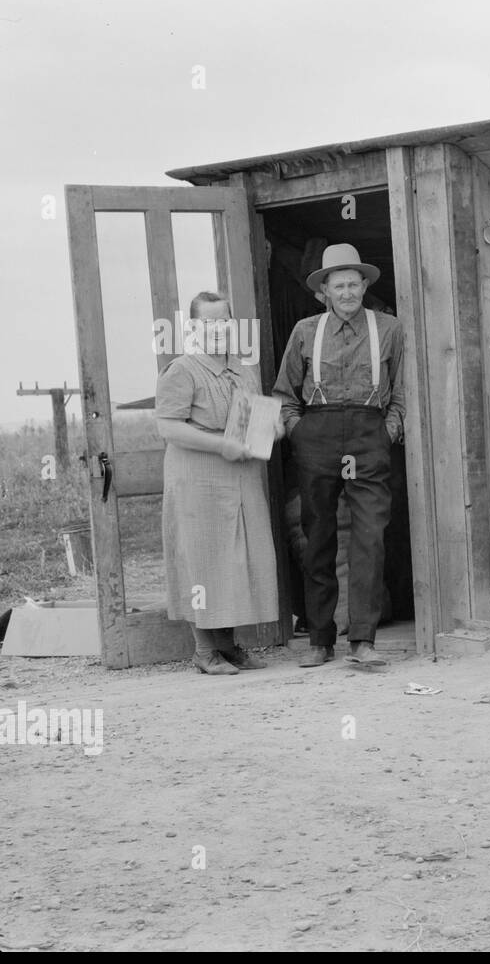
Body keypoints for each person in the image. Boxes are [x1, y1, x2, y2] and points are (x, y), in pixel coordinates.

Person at [273, 244, 405, 669]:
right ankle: (319, 639)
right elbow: (284, 395)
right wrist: (301, 434)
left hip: (369, 433)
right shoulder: (304, 331)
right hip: (319, 434)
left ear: (365, 285)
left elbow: (402, 394)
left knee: (370, 538)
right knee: (319, 539)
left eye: (354, 283)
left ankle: (362, 640)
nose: (347, 292)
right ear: (324, 291)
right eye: (339, 285)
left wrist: (386, 433)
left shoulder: (388, 328)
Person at [155, 292, 282, 674]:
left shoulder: (243, 370)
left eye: (222, 321)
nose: (216, 329)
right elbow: (168, 427)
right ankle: (203, 650)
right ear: (193, 328)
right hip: (197, 476)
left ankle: (228, 646)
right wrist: (220, 445)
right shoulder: (182, 370)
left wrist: (271, 427)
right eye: (207, 323)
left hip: (240, 476)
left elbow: (252, 418)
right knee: (202, 558)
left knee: (236, 558)